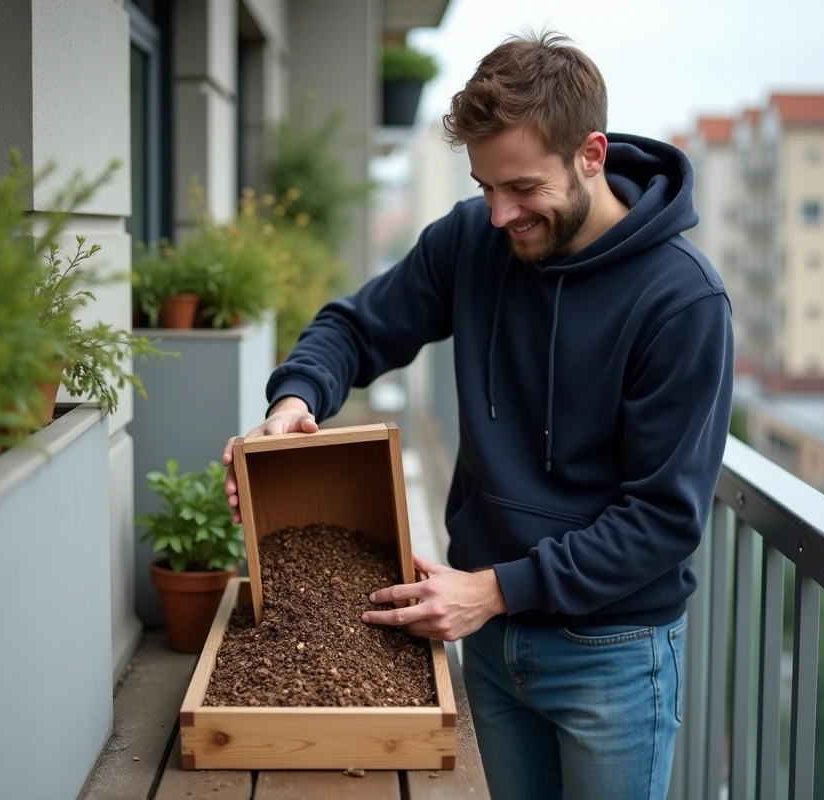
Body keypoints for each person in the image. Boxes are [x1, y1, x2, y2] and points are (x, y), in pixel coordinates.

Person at [222, 29, 733, 800]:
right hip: (489, 638)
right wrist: (293, 403)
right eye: (485, 186)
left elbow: (662, 519)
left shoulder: (684, 300)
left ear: (591, 154)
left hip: (612, 652)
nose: (498, 214)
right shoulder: (473, 235)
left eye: (522, 188)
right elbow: (355, 328)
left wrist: (491, 590)